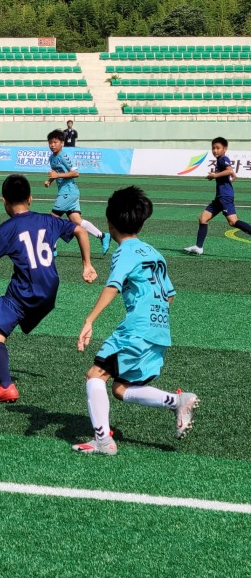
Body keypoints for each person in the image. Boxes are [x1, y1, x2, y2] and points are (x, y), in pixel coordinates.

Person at [74, 186, 199, 455]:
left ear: (109, 222)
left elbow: (113, 285)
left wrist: (90, 320)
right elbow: (170, 296)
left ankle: (102, 440)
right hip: (160, 330)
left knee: (95, 376)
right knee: (122, 388)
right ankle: (178, 401)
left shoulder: (124, 252)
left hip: (137, 329)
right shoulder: (155, 253)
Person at [0, 174, 97, 403]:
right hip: (50, 289)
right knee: (3, 318)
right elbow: (81, 230)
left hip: (26, 289)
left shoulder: (7, 229)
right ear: (31, 199)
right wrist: (87, 265)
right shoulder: (48, 220)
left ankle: (7, 387)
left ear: (4, 201)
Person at [44, 129, 110, 255]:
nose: (52, 145)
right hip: (67, 192)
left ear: (62, 143)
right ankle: (102, 236)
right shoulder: (51, 158)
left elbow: (75, 173)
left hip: (68, 193)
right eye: (50, 142)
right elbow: (55, 174)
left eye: (55, 142)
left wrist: (56, 176)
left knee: (52, 219)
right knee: (77, 221)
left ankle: (53, 247)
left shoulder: (64, 156)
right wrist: (50, 181)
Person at [183, 136, 251, 255]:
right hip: (220, 197)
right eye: (213, 148)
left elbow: (229, 171)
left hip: (224, 197)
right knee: (203, 218)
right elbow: (231, 173)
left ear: (225, 148)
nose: (215, 150)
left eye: (218, 148)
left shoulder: (222, 159)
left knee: (233, 221)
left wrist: (215, 176)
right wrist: (228, 177)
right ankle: (199, 247)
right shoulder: (221, 159)